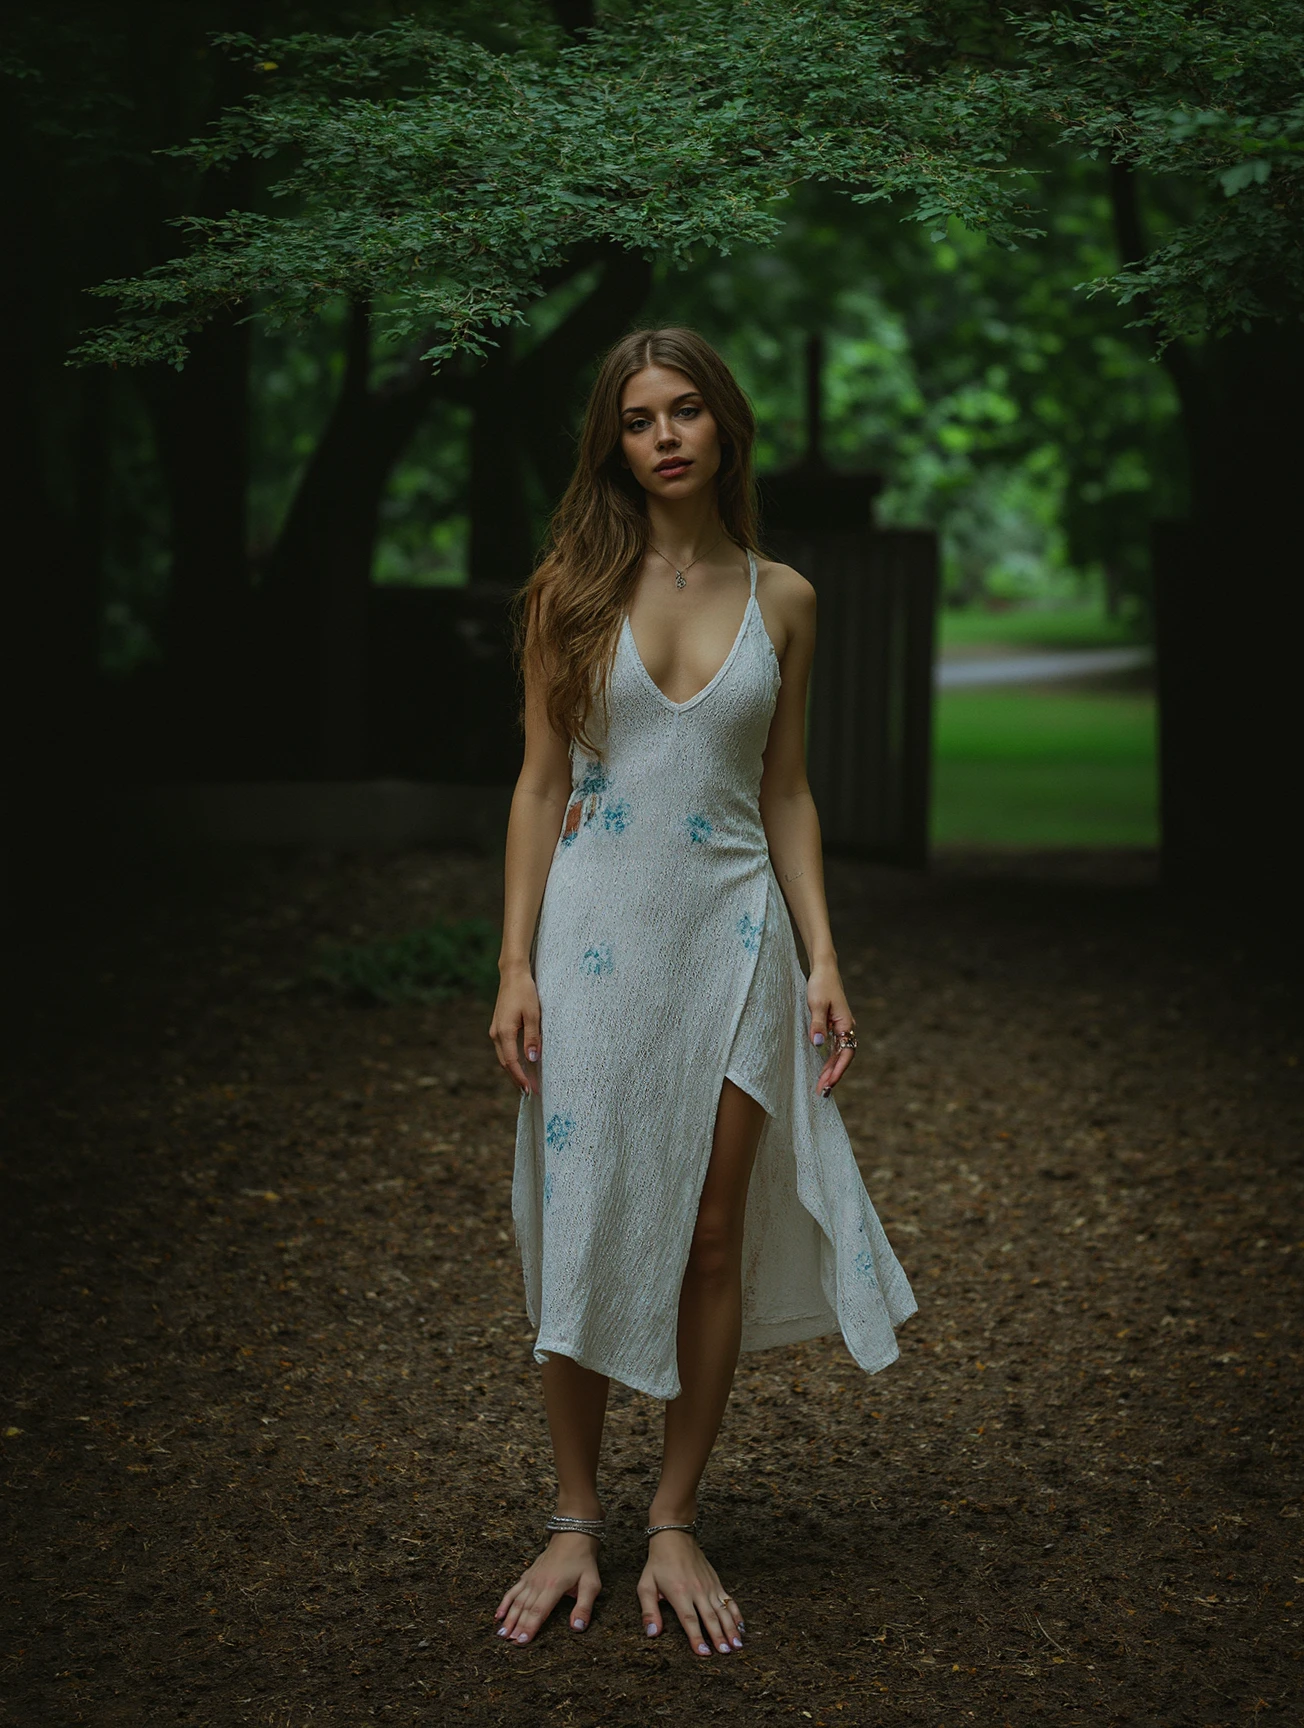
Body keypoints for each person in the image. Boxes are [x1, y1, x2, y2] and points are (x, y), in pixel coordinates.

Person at [488, 327, 916, 1656]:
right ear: (612, 444)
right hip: (595, 935)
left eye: (685, 411)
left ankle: (673, 1514)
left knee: (714, 1234)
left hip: (734, 939)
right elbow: (541, 783)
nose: (663, 435)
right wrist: (511, 960)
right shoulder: (567, 587)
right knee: (584, 1206)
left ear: (724, 427)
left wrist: (826, 951)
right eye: (636, 419)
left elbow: (784, 788)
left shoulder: (784, 596)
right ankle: (574, 1515)